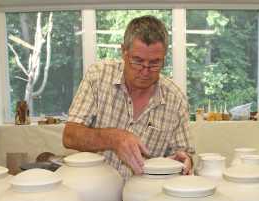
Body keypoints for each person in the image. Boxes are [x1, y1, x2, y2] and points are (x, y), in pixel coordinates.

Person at [63, 15, 194, 181]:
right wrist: (114, 138)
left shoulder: (175, 100)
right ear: (124, 52)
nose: (145, 71)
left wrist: (186, 160)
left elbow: (183, 154)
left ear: (164, 59)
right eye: (137, 61)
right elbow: (70, 136)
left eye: (154, 63)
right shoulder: (98, 76)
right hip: (96, 191)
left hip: (145, 197)